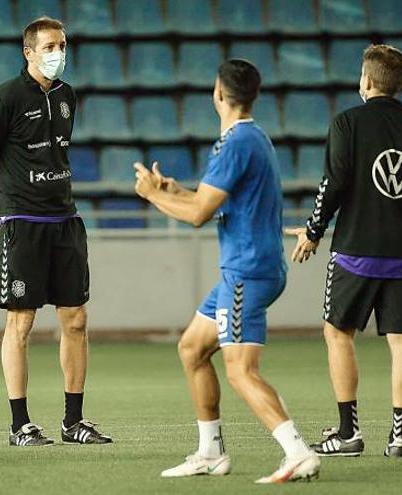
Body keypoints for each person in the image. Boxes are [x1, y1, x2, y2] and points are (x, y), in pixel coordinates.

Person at [134, 59, 320, 483]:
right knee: (192, 349)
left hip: (246, 272)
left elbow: (200, 214)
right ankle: (211, 453)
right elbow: (211, 199)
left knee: (240, 370)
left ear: (218, 94)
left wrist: (151, 197)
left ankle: (297, 451)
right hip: (247, 269)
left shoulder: (235, 143)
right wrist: (174, 191)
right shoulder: (253, 138)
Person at [287, 44, 402, 458]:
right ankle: (398, 437)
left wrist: (313, 231)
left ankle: (348, 433)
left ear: (367, 81)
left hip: (355, 252)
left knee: (338, 333)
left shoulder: (347, 123)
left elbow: (333, 183)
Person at [0, 17, 112, 447]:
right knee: (21, 322)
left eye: (62, 45)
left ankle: (74, 422)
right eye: (49, 47)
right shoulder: (6, 99)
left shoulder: (68, 96)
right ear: (28, 52)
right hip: (22, 224)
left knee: (76, 319)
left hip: (65, 221)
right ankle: (20, 425)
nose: (58, 54)